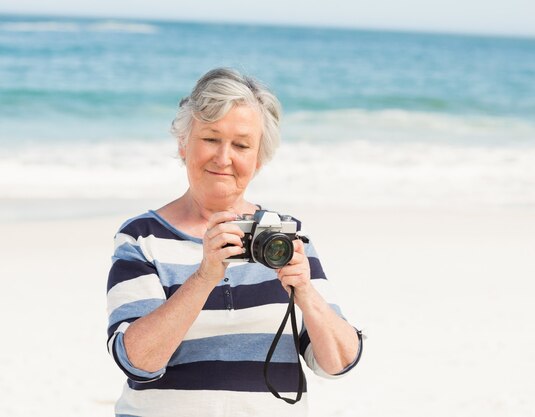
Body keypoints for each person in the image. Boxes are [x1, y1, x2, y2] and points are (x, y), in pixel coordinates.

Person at [106, 68, 362, 417]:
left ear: (258, 159)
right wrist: (204, 277)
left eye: (241, 145)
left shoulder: (284, 237)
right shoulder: (142, 237)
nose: (224, 158)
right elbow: (137, 361)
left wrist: (305, 293)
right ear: (183, 143)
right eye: (211, 139)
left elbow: (338, 362)